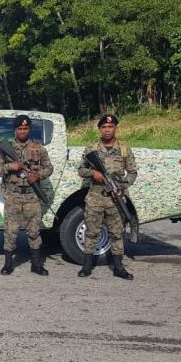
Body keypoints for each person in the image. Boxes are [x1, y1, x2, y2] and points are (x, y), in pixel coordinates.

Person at [76, 114, 137, 280]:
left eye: (110, 127)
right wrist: (93, 173)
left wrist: (122, 186)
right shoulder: (92, 149)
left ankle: (118, 267)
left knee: (117, 232)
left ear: (115, 128)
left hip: (116, 197)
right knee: (91, 231)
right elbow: (81, 169)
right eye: (104, 127)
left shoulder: (124, 148)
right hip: (95, 196)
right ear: (100, 129)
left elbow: (132, 172)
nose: (107, 130)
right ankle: (87, 266)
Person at [0, 114, 53, 276]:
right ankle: (8, 264)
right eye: (20, 128)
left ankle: (36, 265)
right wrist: (9, 166)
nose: (23, 131)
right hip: (13, 195)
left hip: (32, 196)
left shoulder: (38, 148)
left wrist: (38, 176)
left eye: (26, 128)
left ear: (29, 129)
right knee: (10, 232)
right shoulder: (6, 149)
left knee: (34, 231)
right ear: (15, 130)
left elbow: (49, 168)